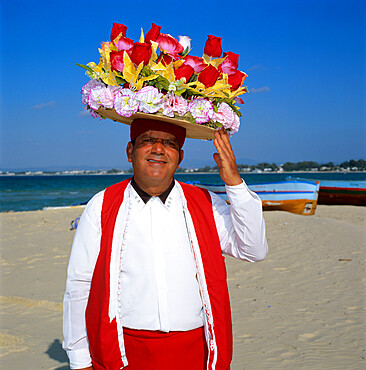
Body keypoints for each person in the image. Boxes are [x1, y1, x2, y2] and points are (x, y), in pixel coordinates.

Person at [62, 118, 268, 370]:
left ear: (180, 156)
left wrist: (234, 182)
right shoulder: (102, 205)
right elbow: (79, 284)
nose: (158, 149)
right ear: (130, 151)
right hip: (125, 349)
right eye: (147, 140)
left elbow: (253, 249)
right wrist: (79, 359)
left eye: (168, 143)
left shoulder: (206, 203)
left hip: (196, 350)